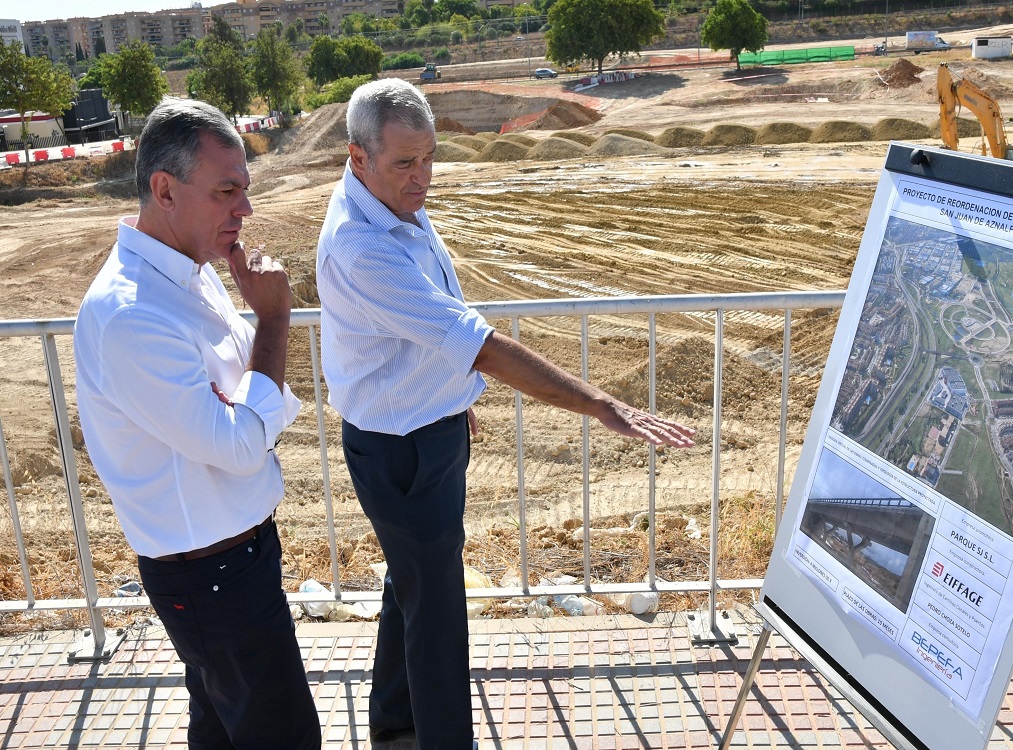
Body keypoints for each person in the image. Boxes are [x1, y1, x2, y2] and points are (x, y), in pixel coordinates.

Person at [316, 78, 696, 750]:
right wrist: (599, 403)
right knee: (437, 617)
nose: (422, 176)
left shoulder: (388, 205)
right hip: (401, 452)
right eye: (405, 162)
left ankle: (395, 724)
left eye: (429, 157)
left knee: (413, 589)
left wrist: (450, 404)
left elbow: (427, 342)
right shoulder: (362, 246)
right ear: (357, 157)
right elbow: (477, 344)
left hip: (419, 432)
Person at [74, 98, 320, 750]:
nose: (245, 210)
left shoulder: (191, 272)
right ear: (164, 190)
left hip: (231, 562)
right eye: (226, 191)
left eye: (245, 190)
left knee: (223, 731)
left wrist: (242, 404)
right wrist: (272, 322)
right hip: (212, 578)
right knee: (285, 738)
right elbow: (240, 442)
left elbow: (248, 403)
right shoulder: (132, 313)